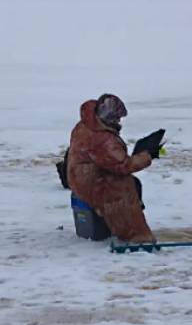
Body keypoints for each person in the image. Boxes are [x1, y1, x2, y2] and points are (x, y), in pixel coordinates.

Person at [66, 93, 165, 244]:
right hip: (90, 182)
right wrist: (148, 155)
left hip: (80, 177)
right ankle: (136, 235)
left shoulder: (86, 124)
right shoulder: (101, 139)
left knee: (133, 183)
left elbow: (111, 160)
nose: (119, 121)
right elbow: (124, 165)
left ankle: (120, 224)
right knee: (121, 188)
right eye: (116, 117)